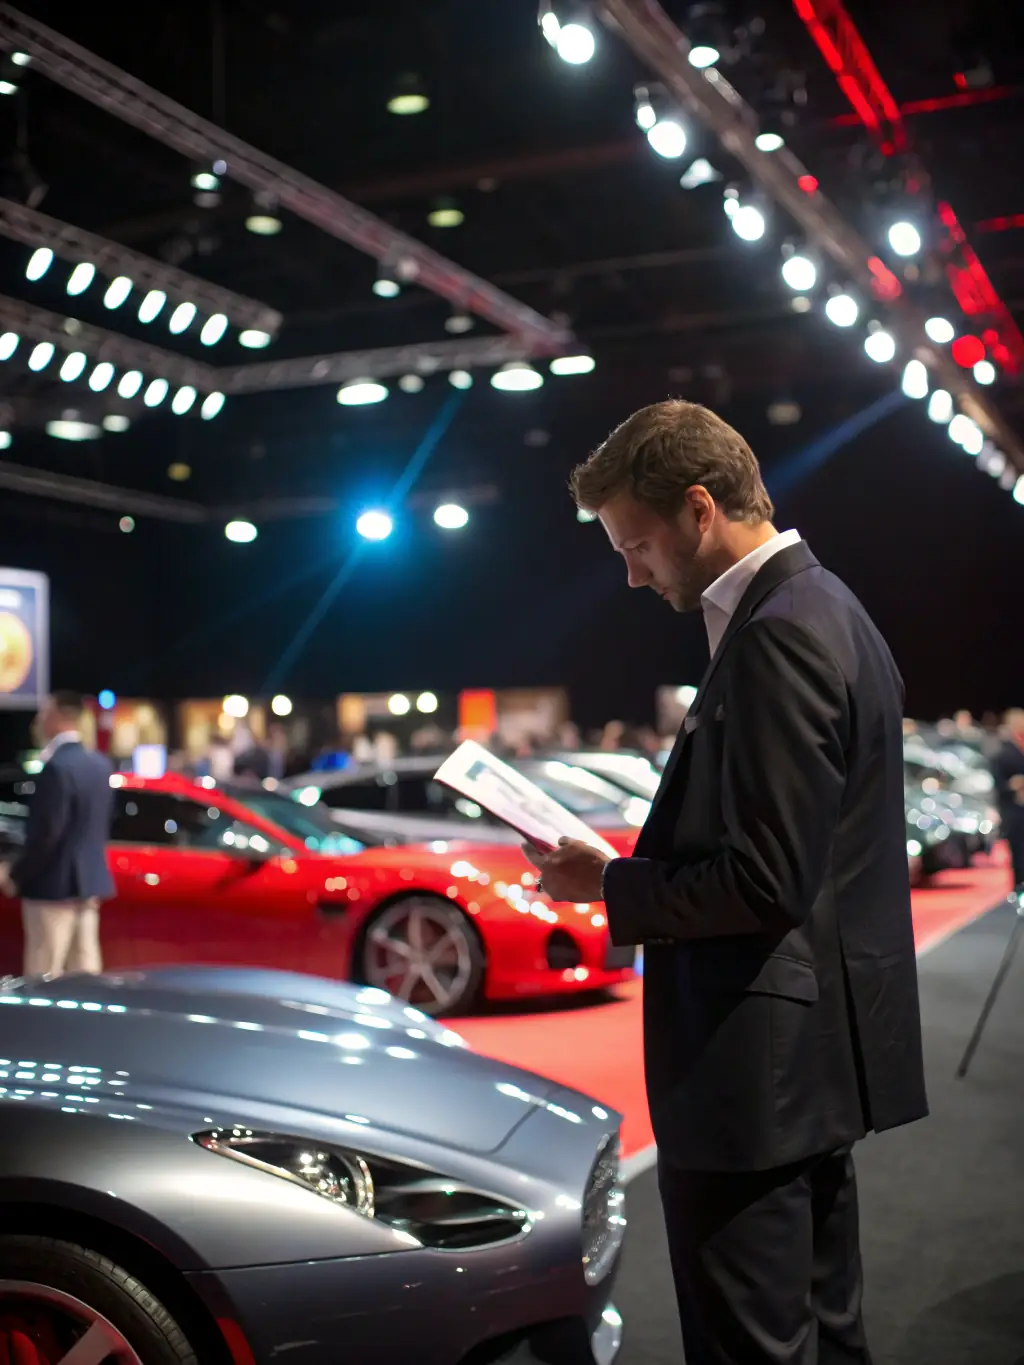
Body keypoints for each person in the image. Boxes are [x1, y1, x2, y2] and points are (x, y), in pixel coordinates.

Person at [524, 400, 928, 1365]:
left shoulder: (779, 632)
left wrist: (610, 883)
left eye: (637, 541)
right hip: (808, 1060)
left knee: (751, 1347)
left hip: (757, 1078)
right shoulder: (831, 609)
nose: (630, 571)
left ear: (699, 510)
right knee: (825, 1335)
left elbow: (764, 878)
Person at [0, 691, 114, 977]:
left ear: (59, 717)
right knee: (86, 973)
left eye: (44, 713)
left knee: (44, 973)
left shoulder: (56, 768)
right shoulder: (99, 764)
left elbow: (46, 834)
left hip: (52, 888)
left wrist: (17, 875)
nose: (38, 720)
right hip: (88, 886)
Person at [991, 708, 1024, 897]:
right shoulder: (1003, 752)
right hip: (1013, 812)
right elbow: (998, 785)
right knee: (1019, 853)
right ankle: (1019, 890)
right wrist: (1013, 786)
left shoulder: (1021, 747)